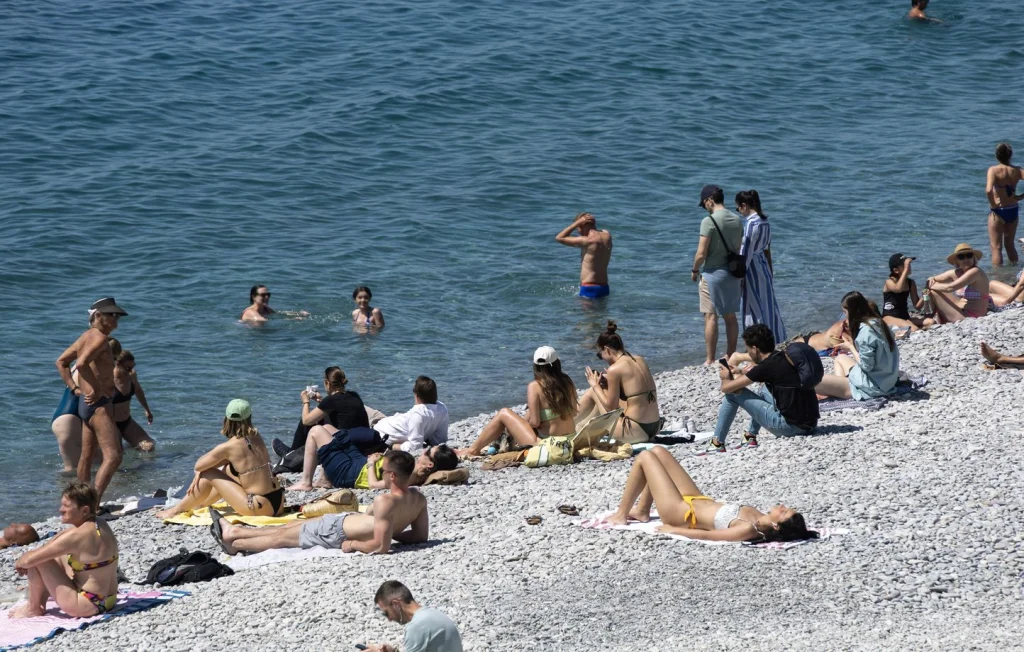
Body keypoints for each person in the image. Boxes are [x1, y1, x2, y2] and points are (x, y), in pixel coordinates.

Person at [211, 450, 428, 555]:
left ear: (391, 476)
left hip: (337, 532)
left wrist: (353, 545)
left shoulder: (385, 501)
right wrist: (390, 530)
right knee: (287, 528)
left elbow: (381, 547)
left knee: (281, 539)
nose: (380, 472)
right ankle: (237, 532)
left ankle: (235, 543)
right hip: (339, 523)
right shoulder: (418, 499)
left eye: (383, 470)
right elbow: (420, 536)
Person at [603, 446, 817, 544]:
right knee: (659, 452)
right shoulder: (761, 516)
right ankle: (641, 511)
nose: (782, 506)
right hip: (697, 499)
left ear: (777, 525)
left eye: (784, 512)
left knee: (646, 457)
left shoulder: (747, 529)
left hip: (681, 513)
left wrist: (673, 529)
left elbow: (708, 536)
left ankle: (621, 514)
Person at [154, 399, 285, 519]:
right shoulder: (256, 435)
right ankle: (201, 504)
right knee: (228, 471)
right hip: (278, 503)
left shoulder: (228, 447)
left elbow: (199, 465)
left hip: (257, 507)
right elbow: (239, 462)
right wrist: (222, 461)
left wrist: (202, 471)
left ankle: (176, 510)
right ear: (250, 417)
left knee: (207, 473)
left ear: (226, 420)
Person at [10, 483, 119, 618]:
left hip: (85, 605)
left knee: (38, 560)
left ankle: (34, 608)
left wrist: (22, 560)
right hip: (109, 599)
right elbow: (60, 541)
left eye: (66, 506)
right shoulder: (100, 523)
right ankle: (39, 600)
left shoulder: (76, 537)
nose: (60, 510)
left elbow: (28, 561)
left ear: (84, 510)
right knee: (55, 555)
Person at [706, 324, 819, 453]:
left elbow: (726, 388)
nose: (748, 352)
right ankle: (750, 436)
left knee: (732, 394)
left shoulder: (766, 367)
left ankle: (717, 443)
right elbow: (760, 373)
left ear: (755, 349)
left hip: (790, 427)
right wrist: (741, 371)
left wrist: (725, 376)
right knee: (764, 390)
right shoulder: (783, 356)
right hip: (810, 424)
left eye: (748, 349)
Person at [56, 298, 127, 501]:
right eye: (112, 315)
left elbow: (61, 362)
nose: (116, 320)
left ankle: (79, 502)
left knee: (86, 457)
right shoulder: (100, 339)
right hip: (98, 405)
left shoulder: (85, 337)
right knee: (114, 456)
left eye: (117, 316)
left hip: (85, 405)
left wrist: (76, 388)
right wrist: (95, 389)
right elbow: (81, 363)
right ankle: (93, 504)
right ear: (98, 316)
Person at [456, 347, 577, 457]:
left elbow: (535, 422)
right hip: (570, 441)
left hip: (548, 445)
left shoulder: (535, 386)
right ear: (557, 364)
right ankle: (500, 440)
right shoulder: (567, 381)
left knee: (504, 413)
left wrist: (515, 428)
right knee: (532, 412)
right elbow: (574, 411)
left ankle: (473, 449)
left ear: (536, 366)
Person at [576, 321, 662, 443]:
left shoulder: (615, 369)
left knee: (594, 392)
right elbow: (635, 394)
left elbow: (610, 407)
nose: (602, 359)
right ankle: (580, 427)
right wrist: (608, 384)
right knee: (602, 391)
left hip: (634, 431)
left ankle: (568, 423)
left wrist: (595, 385)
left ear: (607, 350)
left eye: (600, 355)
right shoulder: (640, 360)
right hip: (654, 427)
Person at [815, 292, 901, 401]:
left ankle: (845, 390)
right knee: (840, 358)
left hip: (873, 387)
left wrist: (851, 347)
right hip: (886, 380)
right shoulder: (878, 323)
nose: (845, 316)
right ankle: (840, 389)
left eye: (845, 312)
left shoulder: (866, 332)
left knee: (814, 381)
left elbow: (867, 366)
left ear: (852, 312)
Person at [692, 185, 744, 365]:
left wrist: (694, 270)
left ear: (709, 200)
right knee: (730, 317)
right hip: (732, 274)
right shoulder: (737, 219)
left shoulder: (709, 221)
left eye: (704, 203)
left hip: (712, 274)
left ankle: (710, 359)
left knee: (710, 316)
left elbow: (701, 254)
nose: (705, 207)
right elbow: (738, 248)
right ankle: (731, 356)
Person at [276, 366, 369, 457]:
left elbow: (306, 421)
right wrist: (321, 401)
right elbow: (340, 407)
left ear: (327, 383)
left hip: (344, 446)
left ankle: (291, 455)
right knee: (321, 418)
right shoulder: (354, 395)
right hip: (361, 444)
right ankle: (298, 452)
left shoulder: (331, 400)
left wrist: (305, 401)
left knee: (306, 423)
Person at [735, 190, 786, 342]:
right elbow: (767, 250)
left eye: (738, 208)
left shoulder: (751, 223)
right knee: (768, 304)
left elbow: (746, 252)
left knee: (752, 307)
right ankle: (775, 337)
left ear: (744, 206)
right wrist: (770, 271)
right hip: (763, 265)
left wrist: (740, 277)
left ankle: (755, 341)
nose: (738, 211)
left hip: (752, 268)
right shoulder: (765, 222)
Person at [365, 581, 463, 652]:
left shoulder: (417, 625)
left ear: (396, 604)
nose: (389, 619)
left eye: (387, 613)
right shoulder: (434, 614)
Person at [373, 377, 450, 454]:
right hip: (388, 422)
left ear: (416, 395)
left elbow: (415, 447)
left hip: (378, 430)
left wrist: (392, 446)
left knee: (366, 410)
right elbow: (440, 440)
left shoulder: (417, 415)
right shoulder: (442, 408)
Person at [926, 244, 990, 322]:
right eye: (961, 257)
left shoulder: (975, 272)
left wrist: (930, 286)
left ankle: (929, 318)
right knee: (934, 290)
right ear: (956, 261)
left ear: (974, 258)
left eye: (969, 255)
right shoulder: (957, 273)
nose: (966, 259)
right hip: (962, 311)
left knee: (934, 292)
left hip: (971, 317)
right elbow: (933, 278)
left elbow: (950, 288)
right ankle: (933, 319)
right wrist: (931, 279)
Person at [555, 212, 613, 299]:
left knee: (587, 313)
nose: (578, 231)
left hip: (589, 288)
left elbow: (559, 238)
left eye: (577, 228)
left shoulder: (587, 241)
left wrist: (577, 223)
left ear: (580, 226)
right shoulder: (607, 235)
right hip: (604, 287)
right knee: (603, 312)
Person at [986, 143, 1023, 266]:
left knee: (996, 247)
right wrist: (1019, 197)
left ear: (996, 156)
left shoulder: (993, 170)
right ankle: (1015, 272)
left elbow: (988, 190)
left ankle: (998, 278)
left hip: (999, 210)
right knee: (1010, 245)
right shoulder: (1017, 170)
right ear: (1010, 155)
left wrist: (993, 206)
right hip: (1013, 209)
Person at [111, 350, 156, 451]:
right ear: (117, 364)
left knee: (149, 447)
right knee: (117, 454)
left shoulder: (131, 375)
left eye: (133, 367)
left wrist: (147, 410)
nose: (131, 370)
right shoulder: (108, 379)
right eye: (128, 368)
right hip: (111, 423)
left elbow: (138, 391)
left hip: (126, 421)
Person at [882, 253, 934, 332]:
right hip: (889, 317)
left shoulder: (911, 283)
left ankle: (906, 330)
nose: (908, 267)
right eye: (905, 265)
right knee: (913, 328)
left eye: (909, 265)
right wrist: (906, 270)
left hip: (904, 317)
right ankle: (909, 330)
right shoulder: (889, 282)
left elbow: (917, 306)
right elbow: (898, 289)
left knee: (931, 322)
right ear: (896, 270)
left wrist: (926, 292)